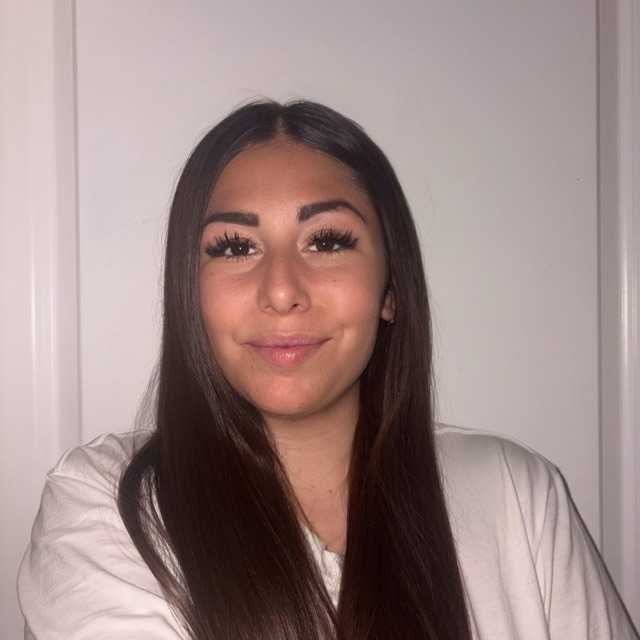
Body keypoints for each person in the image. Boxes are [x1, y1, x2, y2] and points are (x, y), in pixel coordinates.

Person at [17, 100, 638, 640]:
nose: (282, 291)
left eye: (327, 241)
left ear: (390, 289)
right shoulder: (108, 504)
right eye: (235, 247)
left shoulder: (516, 494)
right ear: (189, 293)